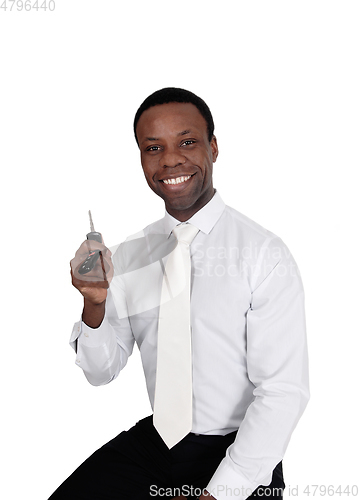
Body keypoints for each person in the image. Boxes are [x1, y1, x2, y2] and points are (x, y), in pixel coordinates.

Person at [49, 88, 309, 500]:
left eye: (187, 142)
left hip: (241, 450)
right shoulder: (131, 254)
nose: (170, 159)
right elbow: (101, 371)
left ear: (214, 147)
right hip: (158, 443)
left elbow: (282, 393)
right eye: (153, 147)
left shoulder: (263, 254)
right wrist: (93, 303)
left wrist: (220, 493)